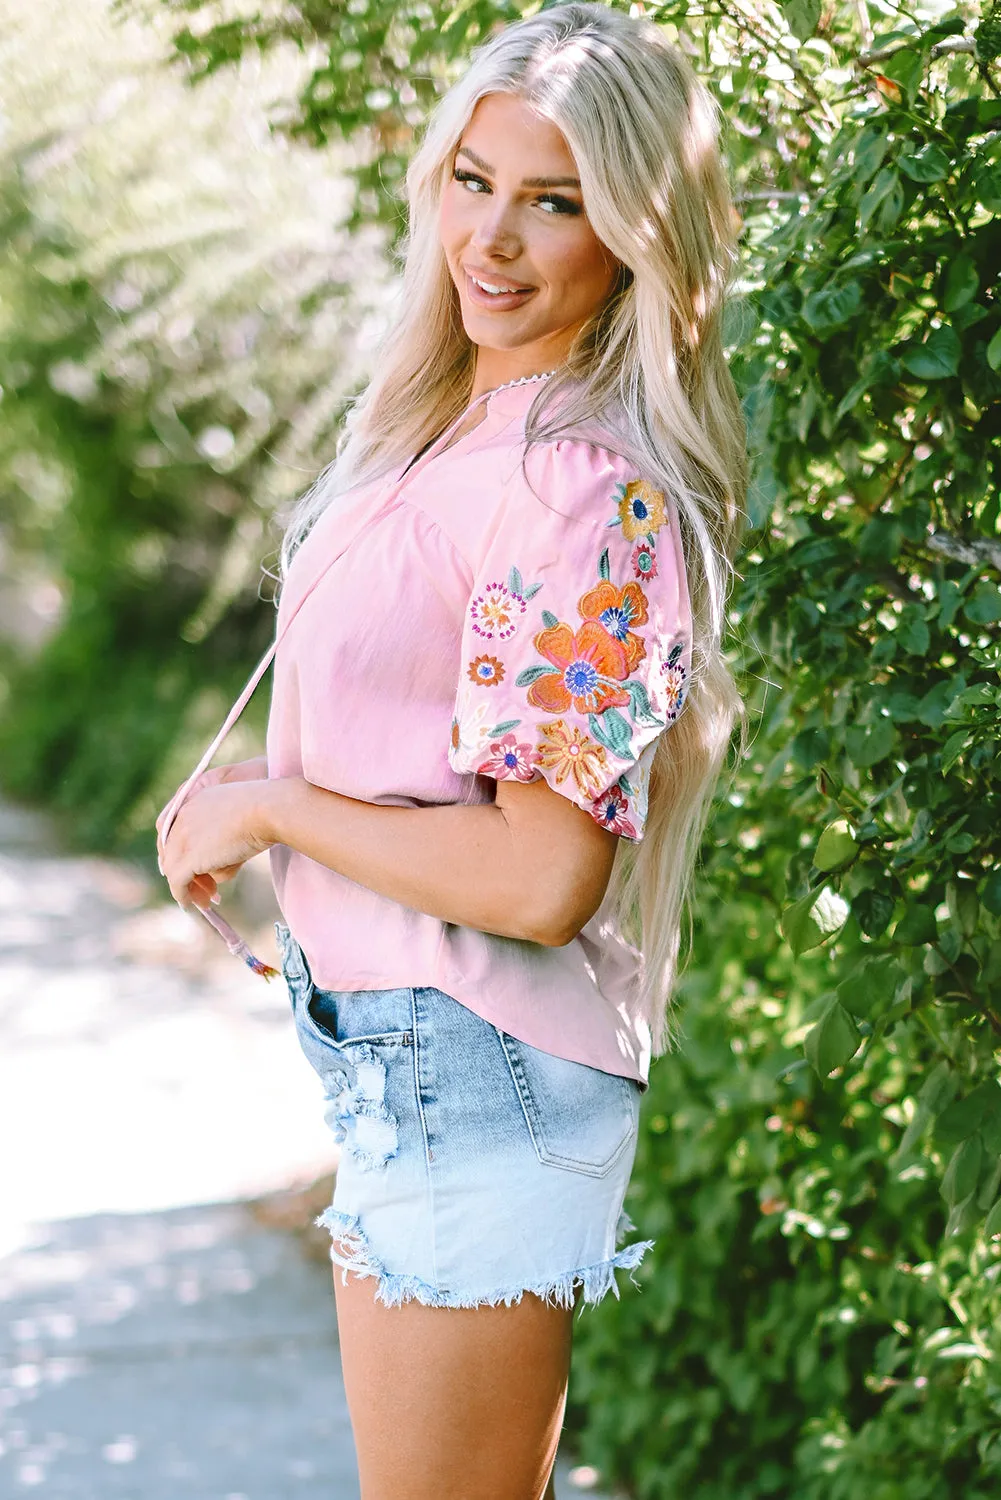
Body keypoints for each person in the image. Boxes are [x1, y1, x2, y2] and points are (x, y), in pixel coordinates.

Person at [157, 4, 747, 1495]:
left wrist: (276, 810)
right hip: (406, 1068)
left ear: (631, 236)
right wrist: (251, 800)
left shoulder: (576, 490)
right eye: (474, 181)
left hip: (471, 1073)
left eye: (556, 202)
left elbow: (544, 874)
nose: (495, 239)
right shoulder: (444, 438)